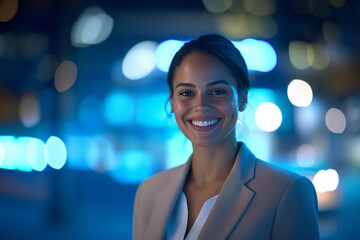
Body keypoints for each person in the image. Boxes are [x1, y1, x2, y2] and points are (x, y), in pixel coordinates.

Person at [132, 34, 320, 240]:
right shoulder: (149, 191)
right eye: (187, 93)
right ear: (172, 100)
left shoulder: (287, 192)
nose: (201, 105)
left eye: (217, 91)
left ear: (242, 98)